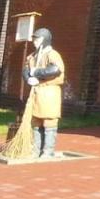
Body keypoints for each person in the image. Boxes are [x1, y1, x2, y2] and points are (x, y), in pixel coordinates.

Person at [23, 28, 65, 159]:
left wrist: (37, 73)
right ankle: (36, 150)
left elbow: (55, 69)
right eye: (34, 39)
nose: (35, 42)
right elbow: (25, 69)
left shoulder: (52, 54)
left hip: (49, 92)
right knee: (36, 122)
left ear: (45, 40)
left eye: (38, 39)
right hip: (36, 92)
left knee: (49, 120)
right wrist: (28, 78)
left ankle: (48, 151)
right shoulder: (32, 56)